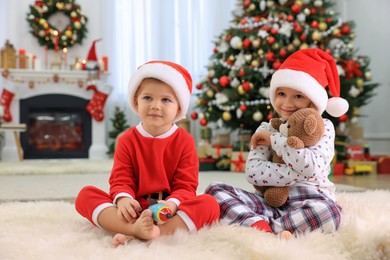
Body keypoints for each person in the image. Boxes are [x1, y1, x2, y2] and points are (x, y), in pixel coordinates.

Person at [205, 48, 349, 239]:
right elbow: (254, 172)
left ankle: (260, 226)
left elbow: (312, 168)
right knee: (214, 191)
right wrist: (298, 172)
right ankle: (270, 227)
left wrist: (276, 141)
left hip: (311, 202)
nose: (287, 103)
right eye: (281, 93)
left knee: (330, 212)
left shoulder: (323, 127)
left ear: (313, 100)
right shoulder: (267, 127)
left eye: (298, 96)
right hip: (270, 203)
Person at [75, 60, 220, 247]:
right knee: (85, 195)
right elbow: (121, 179)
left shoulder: (185, 141)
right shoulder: (127, 139)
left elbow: (186, 185)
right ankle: (134, 229)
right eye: (147, 98)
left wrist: (172, 204)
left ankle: (156, 232)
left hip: (169, 211)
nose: (155, 106)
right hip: (133, 210)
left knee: (209, 204)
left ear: (178, 107)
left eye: (166, 100)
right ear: (136, 101)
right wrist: (124, 199)